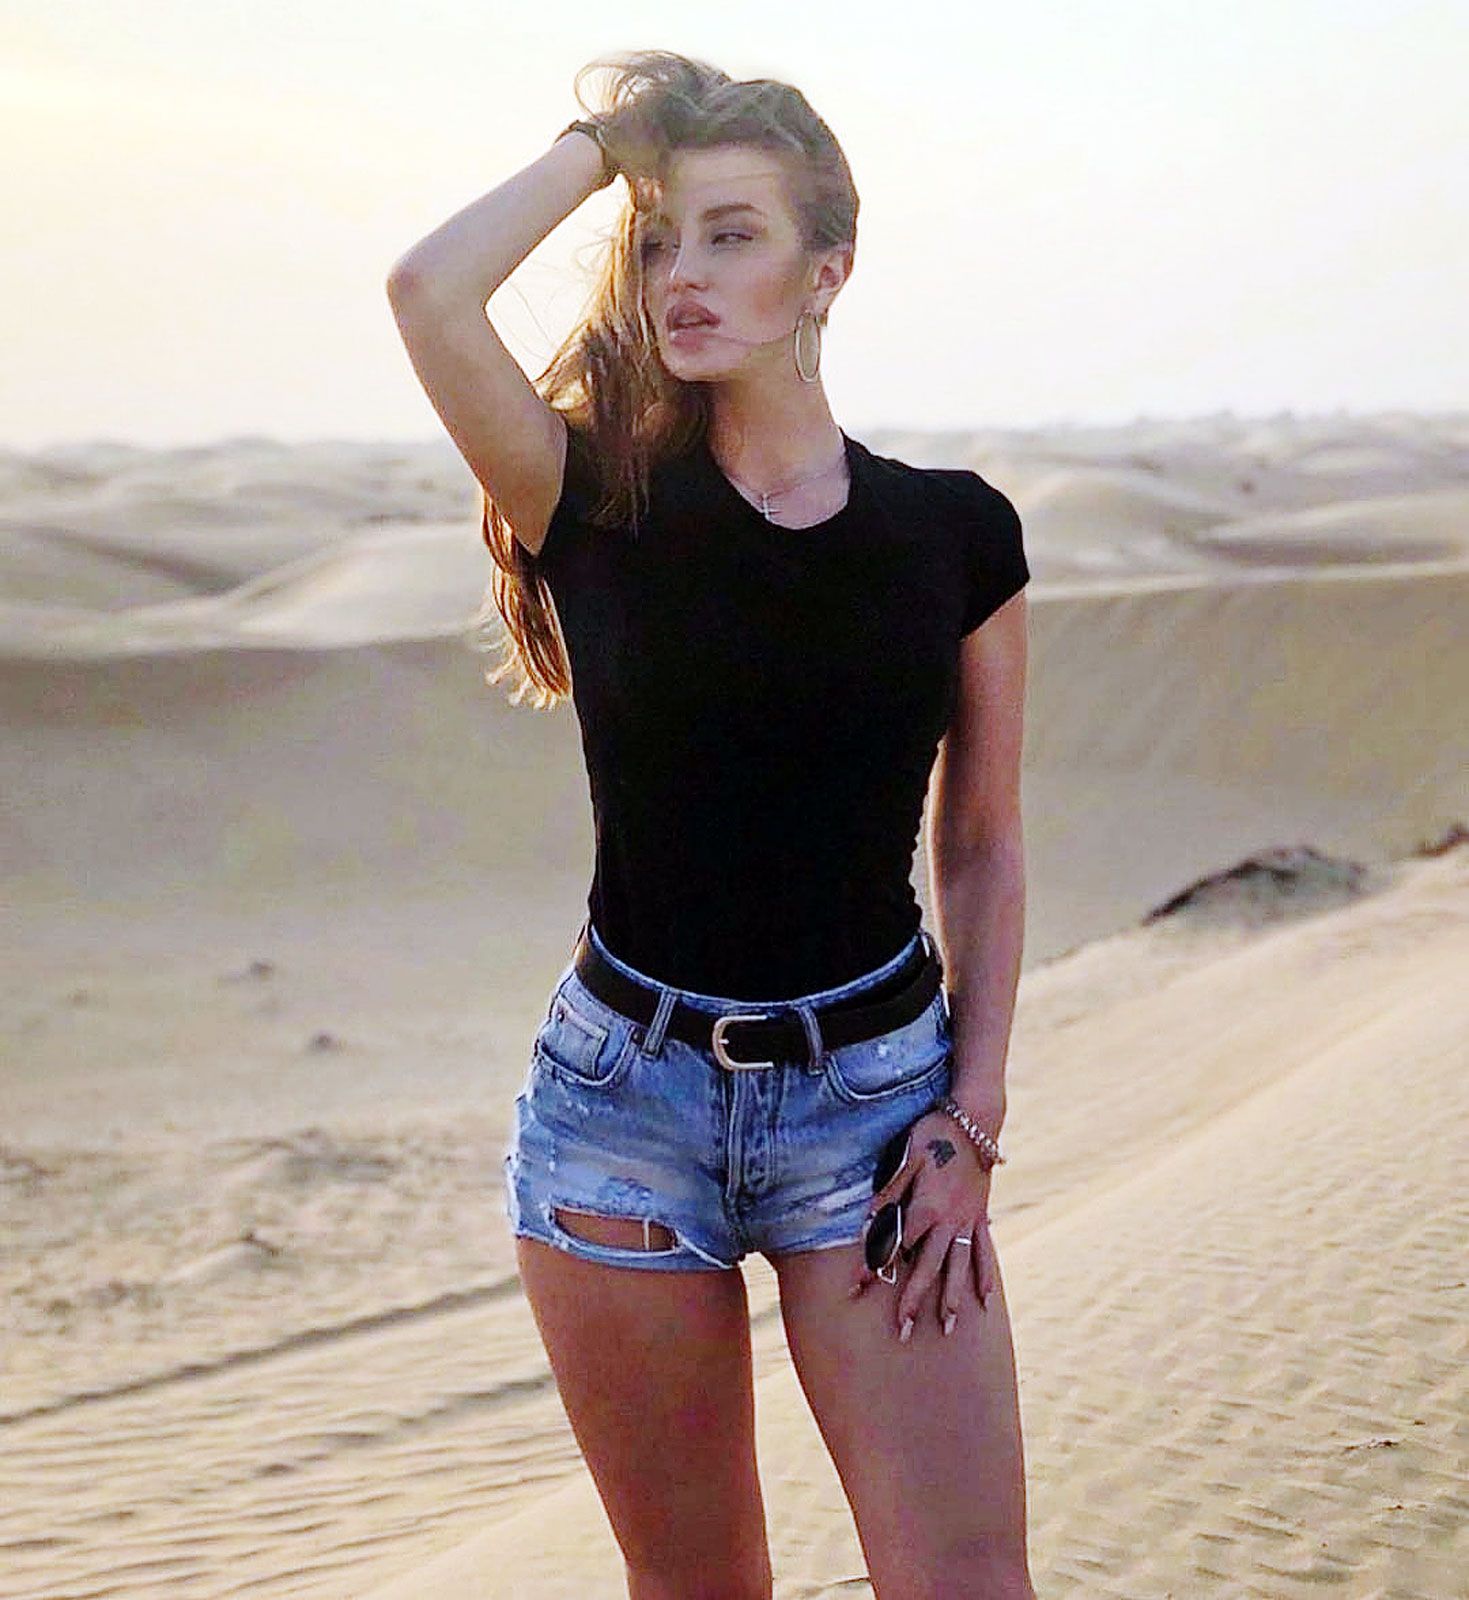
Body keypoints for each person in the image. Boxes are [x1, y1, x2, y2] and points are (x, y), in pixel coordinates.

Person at [387, 49, 1035, 1600]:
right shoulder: (586, 501)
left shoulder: (951, 533)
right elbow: (427, 291)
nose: (681, 273)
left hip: (874, 1113)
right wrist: (605, 147)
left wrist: (971, 1117)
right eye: (658, 240)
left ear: (829, 268)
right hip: (619, 1110)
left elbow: (981, 843)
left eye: (730, 234)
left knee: (964, 1582)